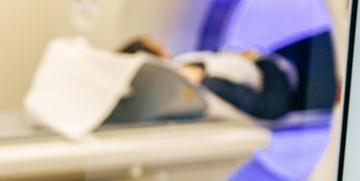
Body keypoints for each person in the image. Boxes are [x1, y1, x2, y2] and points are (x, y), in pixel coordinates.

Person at [120, 31, 337, 121]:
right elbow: (270, 106)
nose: (166, 48)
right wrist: (262, 61)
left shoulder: (184, 64)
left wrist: (243, 57)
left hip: (279, 63)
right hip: (292, 81)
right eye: (159, 48)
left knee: (336, 32)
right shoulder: (192, 82)